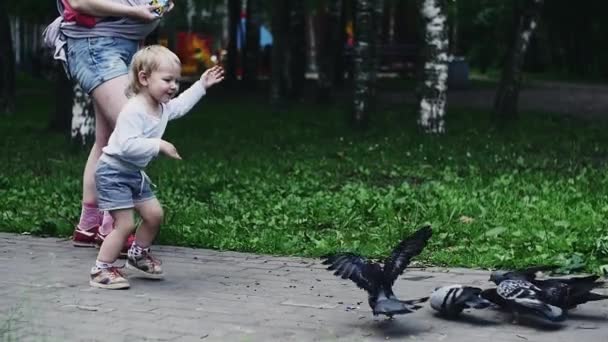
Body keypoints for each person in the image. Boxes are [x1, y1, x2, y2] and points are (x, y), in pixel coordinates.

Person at [45, 0, 174, 253]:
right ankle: (113, 225)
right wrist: (133, 11)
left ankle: (89, 224)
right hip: (97, 47)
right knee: (131, 134)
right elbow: (80, 2)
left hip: (125, 47)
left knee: (107, 140)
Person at [89, 45, 224, 289]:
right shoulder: (134, 110)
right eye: (167, 80)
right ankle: (101, 269)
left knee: (154, 216)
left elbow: (181, 105)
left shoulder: (160, 107)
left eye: (177, 81)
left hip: (132, 173)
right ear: (144, 78)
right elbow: (127, 146)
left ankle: (137, 256)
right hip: (113, 172)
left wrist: (202, 85)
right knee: (126, 225)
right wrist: (158, 144)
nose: (174, 86)